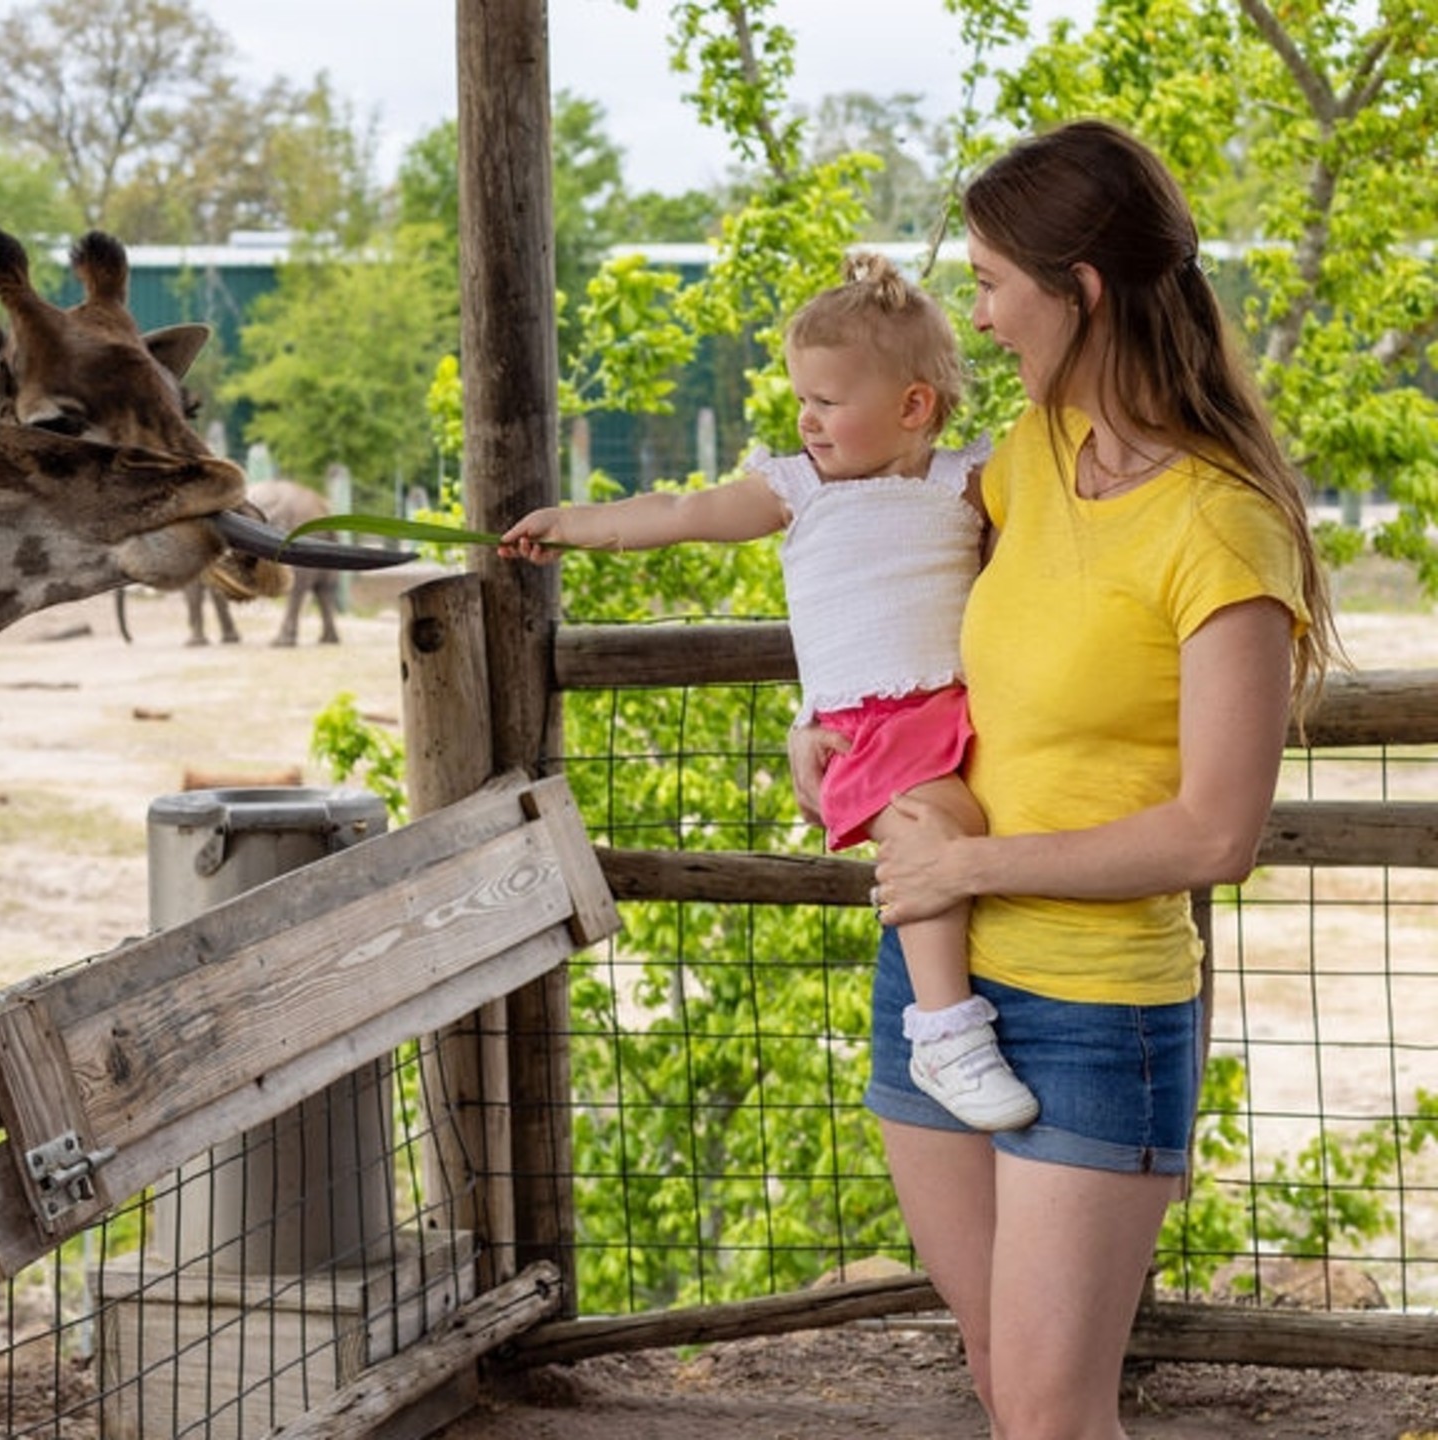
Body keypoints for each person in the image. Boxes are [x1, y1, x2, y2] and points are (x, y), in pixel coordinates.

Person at [791, 119, 1339, 1438]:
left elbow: (1218, 834)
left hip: (1099, 1014)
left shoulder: (1223, 527)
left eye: (988, 283)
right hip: (938, 984)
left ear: (1081, 290)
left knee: (1048, 1412)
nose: (975, 318)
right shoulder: (1028, 460)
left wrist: (968, 862)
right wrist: (821, 736)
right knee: (999, 1383)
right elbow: (896, 606)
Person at [500, 251, 1039, 1131]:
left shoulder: (962, 483)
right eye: (803, 399)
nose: (807, 419)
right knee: (932, 829)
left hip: (958, 706)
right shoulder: (798, 489)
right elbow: (680, 515)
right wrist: (577, 527)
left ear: (914, 407)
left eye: (828, 402)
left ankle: (955, 1018)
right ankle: (944, 1031)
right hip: (869, 722)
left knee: (960, 831)